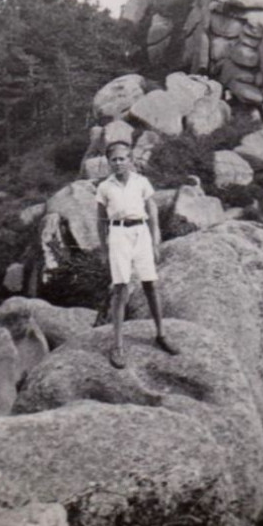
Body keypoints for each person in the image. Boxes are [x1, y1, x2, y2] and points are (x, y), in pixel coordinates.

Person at [96, 141, 179, 369]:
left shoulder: (141, 182)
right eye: (114, 159)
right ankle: (118, 345)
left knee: (150, 284)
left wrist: (155, 237)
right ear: (109, 162)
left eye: (123, 158)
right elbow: (101, 219)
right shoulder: (105, 187)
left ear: (130, 160)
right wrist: (104, 249)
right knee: (121, 288)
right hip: (118, 234)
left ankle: (161, 334)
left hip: (140, 232)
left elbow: (151, 208)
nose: (119, 163)